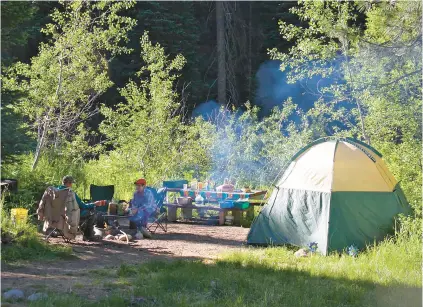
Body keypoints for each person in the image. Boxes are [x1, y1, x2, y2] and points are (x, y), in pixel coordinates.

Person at [58, 175, 104, 241]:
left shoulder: (56, 191)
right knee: (91, 213)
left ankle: (85, 231)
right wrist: (94, 204)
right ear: (68, 183)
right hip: (70, 215)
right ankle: (88, 235)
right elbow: (83, 206)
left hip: (58, 215)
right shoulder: (70, 193)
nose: (71, 185)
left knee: (87, 212)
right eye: (71, 183)